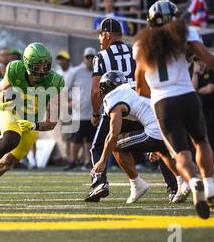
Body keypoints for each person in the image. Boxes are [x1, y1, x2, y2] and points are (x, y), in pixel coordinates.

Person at [133, 0, 214, 219]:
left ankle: (194, 182)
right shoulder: (186, 33)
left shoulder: (141, 44)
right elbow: (209, 59)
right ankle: (210, 189)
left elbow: (139, 86)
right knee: (201, 142)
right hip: (187, 96)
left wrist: (156, 92)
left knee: (181, 155)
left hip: (163, 103)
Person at [0, 42, 65, 201]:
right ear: (27, 64)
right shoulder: (15, 69)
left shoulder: (55, 82)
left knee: (6, 164)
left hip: (32, 120)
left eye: (46, 66)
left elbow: (52, 123)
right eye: (38, 66)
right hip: (12, 108)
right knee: (11, 140)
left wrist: (34, 125)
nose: (43, 70)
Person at [91, 71, 181, 203]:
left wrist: (102, 161)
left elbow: (113, 135)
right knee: (163, 150)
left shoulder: (113, 97)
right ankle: (182, 182)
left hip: (157, 129)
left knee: (115, 145)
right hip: (171, 120)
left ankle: (137, 184)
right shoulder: (132, 87)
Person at [87, 18, 136, 202]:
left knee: (98, 146)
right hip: (138, 105)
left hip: (116, 107)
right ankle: (174, 186)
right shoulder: (133, 52)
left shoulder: (102, 56)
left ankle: (99, 183)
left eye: (101, 34)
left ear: (107, 34)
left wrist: (95, 113)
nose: (99, 38)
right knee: (159, 145)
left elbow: (95, 91)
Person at [65, 47, 97, 170]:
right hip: (79, 113)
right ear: (84, 58)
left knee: (90, 140)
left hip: (93, 113)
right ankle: (73, 161)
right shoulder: (75, 71)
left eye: (92, 57)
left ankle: (88, 161)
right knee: (76, 140)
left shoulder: (97, 71)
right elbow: (65, 88)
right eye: (87, 57)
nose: (90, 59)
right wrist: (69, 102)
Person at [190, 56, 214, 173]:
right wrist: (195, 73)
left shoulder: (211, 71)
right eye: (196, 60)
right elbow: (192, 88)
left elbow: (210, 89)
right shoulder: (192, 72)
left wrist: (197, 91)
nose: (199, 62)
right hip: (196, 110)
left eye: (201, 59)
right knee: (196, 137)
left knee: (211, 136)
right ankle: (197, 162)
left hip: (209, 109)